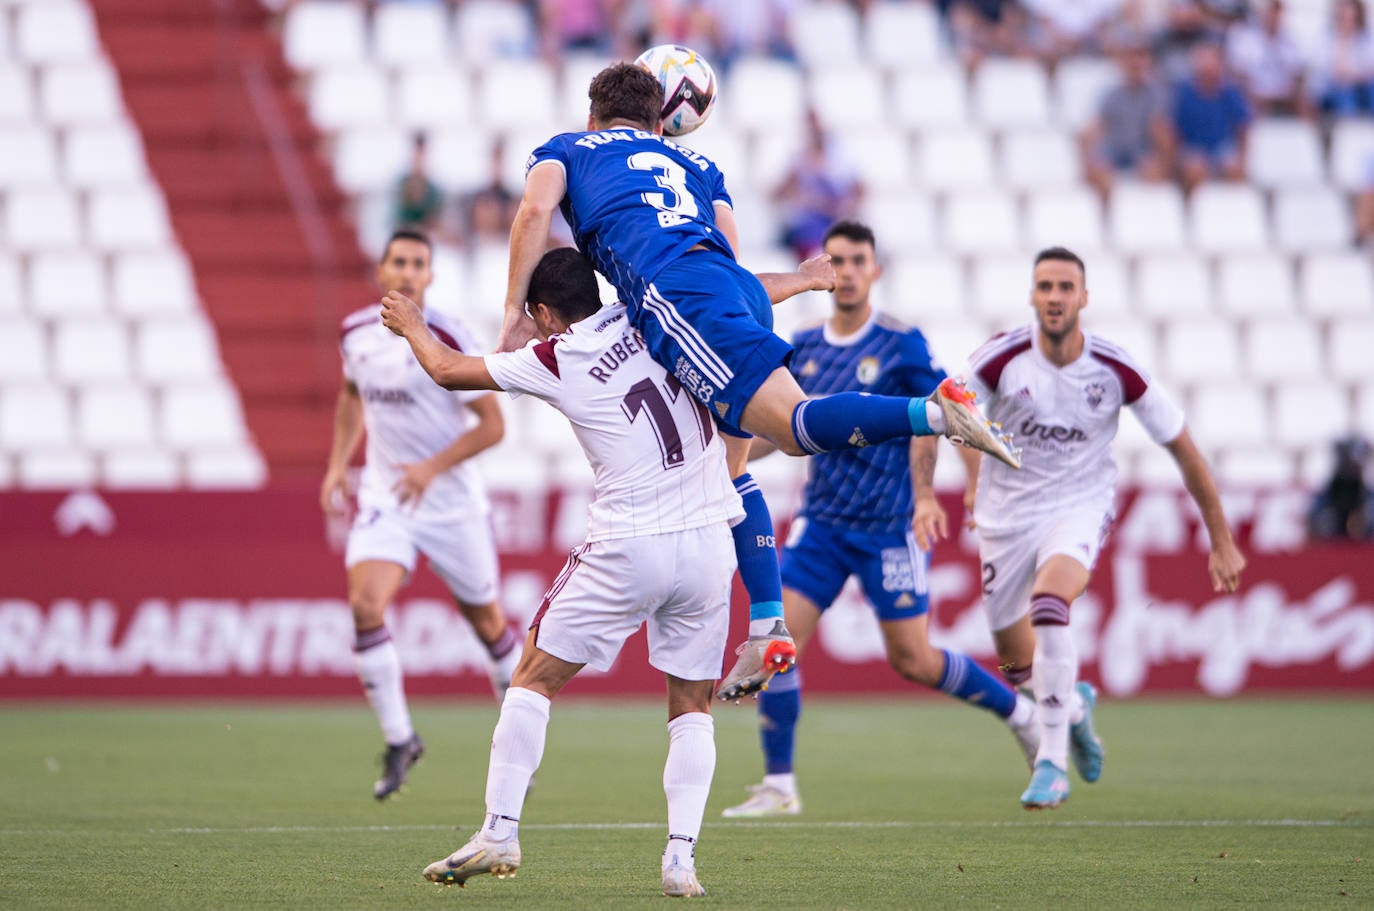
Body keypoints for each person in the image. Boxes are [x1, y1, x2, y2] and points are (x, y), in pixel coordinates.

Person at [495, 61, 1021, 704]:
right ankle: (768, 625)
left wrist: (513, 314)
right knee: (729, 470)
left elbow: (532, 214)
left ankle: (931, 412)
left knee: (795, 428)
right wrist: (799, 280)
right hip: (719, 288)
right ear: (663, 121)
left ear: (591, 115)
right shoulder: (696, 169)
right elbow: (730, 269)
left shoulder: (564, 149)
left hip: (674, 299)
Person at [381, 248, 741, 897]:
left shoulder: (557, 355)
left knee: (533, 676)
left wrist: (411, 321)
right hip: (710, 537)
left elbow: (445, 368)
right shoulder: (648, 315)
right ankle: (680, 859)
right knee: (692, 703)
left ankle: (499, 828)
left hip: (630, 541)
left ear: (544, 313)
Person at [722, 222, 1041, 818]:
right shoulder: (806, 345)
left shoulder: (901, 343)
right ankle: (780, 785)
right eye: (835, 261)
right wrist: (730, 459)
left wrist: (948, 493)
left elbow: (947, 418)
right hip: (821, 525)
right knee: (778, 644)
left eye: (857, 261)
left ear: (876, 270)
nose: (845, 272)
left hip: (887, 527)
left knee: (912, 659)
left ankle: (1020, 714)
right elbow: (782, 428)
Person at [928, 246, 1246, 810]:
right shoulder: (1002, 358)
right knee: (1015, 663)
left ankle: (1050, 763)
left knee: (1051, 604)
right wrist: (949, 487)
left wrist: (1221, 540)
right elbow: (945, 413)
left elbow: (1185, 450)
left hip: (1079, 504)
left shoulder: (1115, 368)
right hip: (1007, 515)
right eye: (1045, 287)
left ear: (1083, 297)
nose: (1054, 297)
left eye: (1065, 287)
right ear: (1032, 295)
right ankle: (1072, 707)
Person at [320, 228, 522, 801]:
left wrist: (430, 468)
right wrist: (338, 465)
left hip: (452, 504)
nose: (408, 272)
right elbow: (351, 396)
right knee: (364, 606)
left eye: (419, 264)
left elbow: (494, 425)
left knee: (488, 627)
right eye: (399, 262)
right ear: (382, 271)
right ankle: (400, 738)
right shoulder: (355, 334)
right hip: (388, 498)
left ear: (431, 275)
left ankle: (517, 750)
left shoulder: (450, 334)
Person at [1081, 39, 1172, 199]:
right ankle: (1108, 220)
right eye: (1131, 57)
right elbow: (1094, 129)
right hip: (1114, 152)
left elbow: (1161, 132)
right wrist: (1089, 160)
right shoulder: (1110, 94)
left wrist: (1164, 163)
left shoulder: (1155, 94)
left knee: (1151, 169)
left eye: (1140, 57)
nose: (1135, 62)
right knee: (1101, 171)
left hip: (1141, 153)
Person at [1166, 40, 1252, 192]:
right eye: (1203, 62)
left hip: (1222, 147)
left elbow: (1243, 127)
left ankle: (1231, 209)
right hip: (1193, 148)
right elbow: (1174, 130)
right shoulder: (1184, 93)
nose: (1207, 67)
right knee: (1194, 167)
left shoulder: (1230, 92)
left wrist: (1242, 158)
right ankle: (1195, 211)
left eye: (1211, 62)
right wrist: (1175, 159)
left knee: (1233, 167)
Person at [1308, 435, 1374, 541]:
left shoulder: (1368, 496)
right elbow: (1316, 524)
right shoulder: (1326, 495)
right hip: (1332, 548)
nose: (1350, 468)